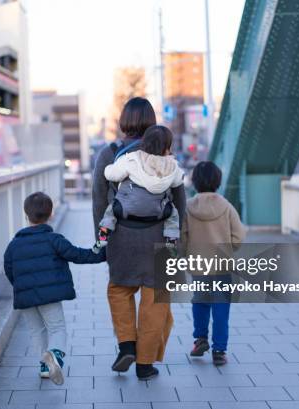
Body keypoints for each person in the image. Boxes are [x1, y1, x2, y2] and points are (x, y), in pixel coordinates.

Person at [92, 97, 186, 380]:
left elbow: (99, 199)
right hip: (159, 237)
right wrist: (178, 242)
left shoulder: (109, 154)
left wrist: (101, 239)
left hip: (122, 236)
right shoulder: (166, 154)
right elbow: (181, 201)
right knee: (156, 299)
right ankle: (145, 363)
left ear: (123, 121)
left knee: (119, 291)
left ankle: (126, 346)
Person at [4, 192, 106, 384]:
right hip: (49, 296)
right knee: (56, 327)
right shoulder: (54, 239)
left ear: (26, 214)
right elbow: (77, 255)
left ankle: (44, 367)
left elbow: (9, 270)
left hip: (25, 297)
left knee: (36, 331)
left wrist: (21, 287)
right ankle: (55, 357)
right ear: (50, 213)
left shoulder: (14, 245)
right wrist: (101, 252)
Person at [181, 161, 246, 366]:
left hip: (198, 266)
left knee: (199, 301)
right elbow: (239, 236)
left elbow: (181, 237)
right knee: (221, 307)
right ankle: (219, 351)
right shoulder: (226, 206)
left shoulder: (188, 207)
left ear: (194, 182)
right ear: (218, 181)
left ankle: (200, 339)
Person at [94, 125, 184, 252]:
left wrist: (108, 168)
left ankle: (104, 233)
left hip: (126, 208)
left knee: (111, 211)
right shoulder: (172, 166)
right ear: (167, 149)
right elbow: (178, 181)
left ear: (144, 144)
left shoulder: (132, 158)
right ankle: (171, 241)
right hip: (159, 210)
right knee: (173, 215)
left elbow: (111, 174)